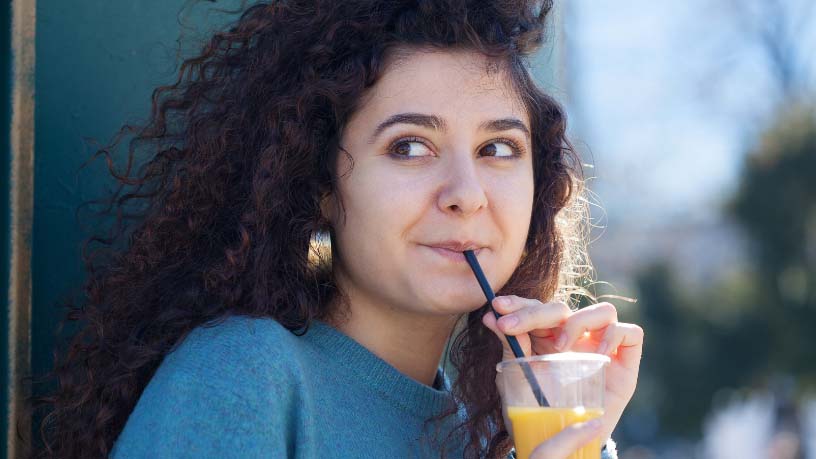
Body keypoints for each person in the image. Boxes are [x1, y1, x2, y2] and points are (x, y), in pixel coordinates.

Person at [32, 0, 644, 458]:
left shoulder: (494, 434)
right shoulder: (244, 378)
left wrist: (586, 437)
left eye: (499, 147)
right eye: (409, 146)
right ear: (321, 183)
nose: (466, 193)